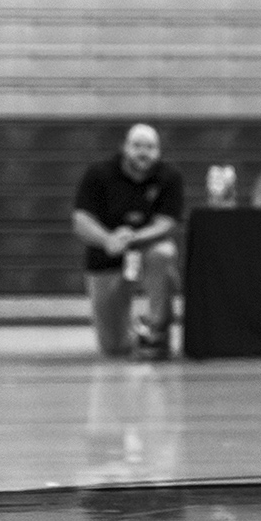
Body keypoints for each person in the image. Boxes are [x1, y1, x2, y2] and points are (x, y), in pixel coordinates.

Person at [71, 123, 184, 359]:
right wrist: (108, 240)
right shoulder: (99, 174)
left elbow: (166, 223)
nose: (143, 152)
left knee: (164, 252)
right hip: (107, 257)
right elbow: (81, 220)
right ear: (124, 147)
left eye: (150, 147)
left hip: (145, 250)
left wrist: (132, 238)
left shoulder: (169, 177)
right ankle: (130, 334)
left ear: (159, 151)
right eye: (137, 146)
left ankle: (156, 332)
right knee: (114, 348)